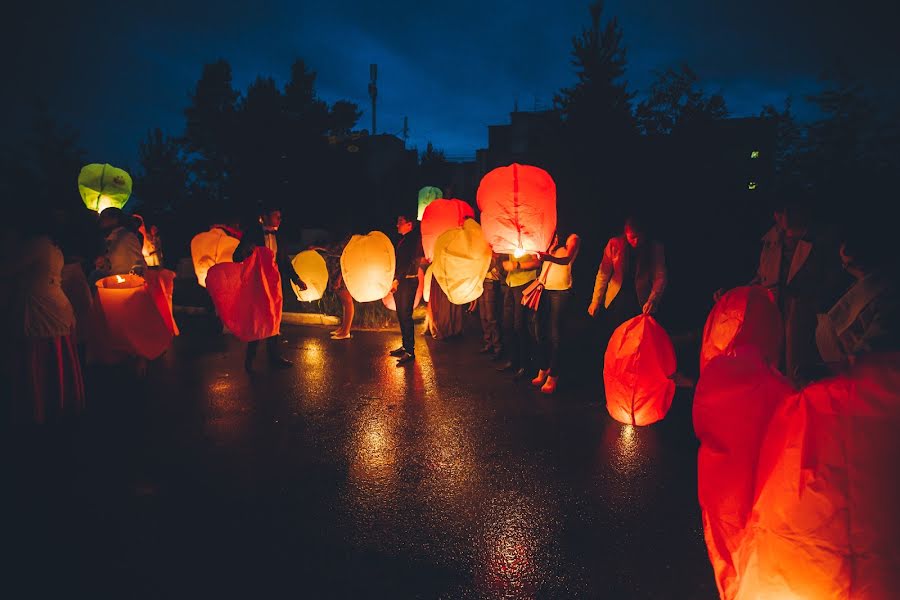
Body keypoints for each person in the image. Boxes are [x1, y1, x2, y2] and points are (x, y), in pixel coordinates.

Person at [715, 201, 847, 384]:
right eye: (779, 211)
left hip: (808, 318)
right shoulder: (772, 242)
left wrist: (808, 296)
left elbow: (834, 282)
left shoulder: (823, 241)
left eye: (791, 209)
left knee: (802, 372)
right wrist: (735, 295)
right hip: (773, 316)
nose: (785, 216)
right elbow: (762, 279)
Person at [1, 221, 84, 424]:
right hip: (54, 303)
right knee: (56, 353)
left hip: (40, 306)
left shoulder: (36, 245)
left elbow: (6, 269)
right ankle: (58, 402)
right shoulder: (51, 245)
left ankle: (40, 405)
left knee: (37, 354)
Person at [816, 227, 899, 369]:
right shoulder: (856, 286)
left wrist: (847, 363)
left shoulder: (887, 295)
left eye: (849, 265)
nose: (847, 269)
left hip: (871, 374)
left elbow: (874, 343)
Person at [233, 206, 304, 372]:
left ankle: (274, 356)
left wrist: (297, 279)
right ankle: (250, 359)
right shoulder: (252, 233)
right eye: (276, 216)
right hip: (257, 284)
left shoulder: (279, 235)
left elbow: (284, 260)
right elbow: (236, 256)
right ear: (264, 217)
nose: (279, 219)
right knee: (257, 319)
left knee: (274, 317)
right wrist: (247, 250)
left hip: (274, 283)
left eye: (280, 216)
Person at [588, 216, 667, 327]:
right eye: (633, 237)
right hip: (618, 298)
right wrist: (596, 301)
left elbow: (660, 277)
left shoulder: (654, 248)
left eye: (640, 237)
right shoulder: (614, 244)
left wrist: (652, 300)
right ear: (626, 233)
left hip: (642, 300)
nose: (637, 241)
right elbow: (603, 274)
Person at [533, 233, 581, 394]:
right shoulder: (551, 239)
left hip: (560, 292)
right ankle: (543, 367)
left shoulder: (572, 238)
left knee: (555, 334)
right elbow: (542, 263)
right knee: (540, 331)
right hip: (544, 289)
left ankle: (553, 375)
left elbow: (566, 259)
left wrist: (548, 257)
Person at [496, 250, 541, 379]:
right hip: (511, 282)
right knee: (507, 324)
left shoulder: (529, 238)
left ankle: (525, 365)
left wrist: (517, 265)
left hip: (525, 283)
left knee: (520, 326)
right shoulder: (512, 237)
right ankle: (513, 360)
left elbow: (537, 262)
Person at [389, 214, 424, 366]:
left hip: (408, 281)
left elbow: (407, 263)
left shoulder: (412, 241)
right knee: (401, 315)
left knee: (406, 315)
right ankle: (405, 345)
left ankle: (410, 351)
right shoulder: (404, 240)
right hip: (403, 281)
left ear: (409, 224)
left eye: (400, 222)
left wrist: (397, 280)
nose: (397, 225)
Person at [91, 207, 146, 282]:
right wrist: (102, 264)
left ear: (115, 219)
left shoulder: (127, 236)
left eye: (104, 217)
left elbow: (139, 262)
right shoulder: (108, 238)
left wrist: (133, 278)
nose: (100, 220)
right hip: (112, 283)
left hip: (127, 285)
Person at [478, 252, 503, 359]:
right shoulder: (482, 251)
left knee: (491, 317)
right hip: (481, 283)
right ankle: (488, 344)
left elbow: (489, 267)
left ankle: (498, 348)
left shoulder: (496, 253)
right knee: (483, 316)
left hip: (491, 283)